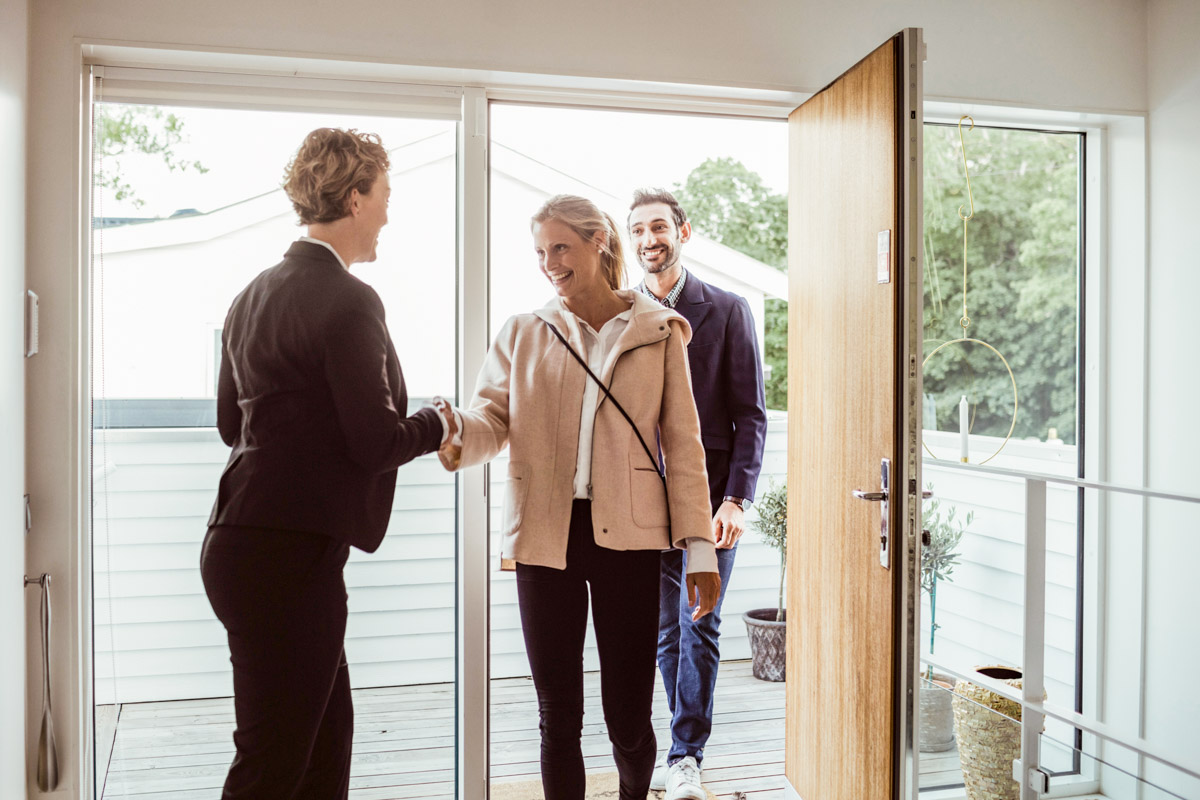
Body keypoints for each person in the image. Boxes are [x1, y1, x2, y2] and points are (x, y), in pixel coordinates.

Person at [435, 194, 721, 800]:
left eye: (561, 247)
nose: (549, 263)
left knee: (627, 715)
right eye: (541, 252)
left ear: (599, 242)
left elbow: (684, 446)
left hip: (632, 538)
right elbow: (491, 418)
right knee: (557, 714)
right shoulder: (523, 332)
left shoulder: (658, 331)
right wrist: (456, 431)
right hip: (545, 536)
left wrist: (700, 551)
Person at [201, 128, 444, 800]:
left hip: (242, 545)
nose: (389, 213)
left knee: (325, 743)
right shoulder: (349, 298)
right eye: (386, 195)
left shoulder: (249, 295)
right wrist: (441, 421)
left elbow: (233, 425)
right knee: (272, 765)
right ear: (358, 195)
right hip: (286, 560)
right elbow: (378, 442)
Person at [628, 188, 768, 800]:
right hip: (642, 499)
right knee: (662, 629)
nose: (648, 239)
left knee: (699, 622)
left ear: (683, 233)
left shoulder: (728, 310)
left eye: (658, 227)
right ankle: (678, 745)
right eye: (637, 230)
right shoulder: (623, 312)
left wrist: (735, 500)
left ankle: (687, 754)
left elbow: (751, 416)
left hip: (710, 500)